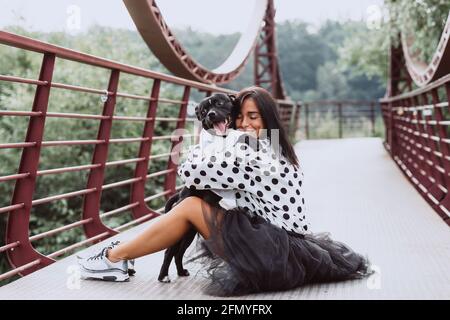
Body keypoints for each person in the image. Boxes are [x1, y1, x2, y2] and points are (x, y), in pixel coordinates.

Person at [78, 86, 373, 296]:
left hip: (270, 255)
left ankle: (113, 259)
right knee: (194, 202)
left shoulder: (255, 157)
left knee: (191, 205)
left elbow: (188, 170)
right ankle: (120, 256)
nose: (244, 124)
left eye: (253, 117)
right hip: (285, 248)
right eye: (240, 117)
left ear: (268, 119)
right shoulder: (274, 148)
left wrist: (202, 143)